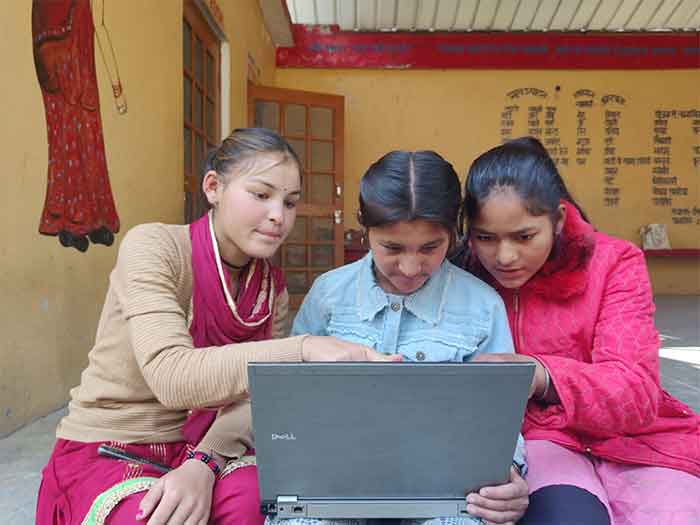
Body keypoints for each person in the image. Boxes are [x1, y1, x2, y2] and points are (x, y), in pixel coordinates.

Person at [36, 128, 396, 525]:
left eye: (290, 202)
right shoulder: (154, 248)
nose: (279, 216)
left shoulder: (270, 286)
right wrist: (305, 349)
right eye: (261, 195)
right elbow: (171, 376)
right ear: (213, 187)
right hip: (118, 444)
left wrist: (203, 463)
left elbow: (255, 397)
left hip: (210, 445)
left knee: (259, 502)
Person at [455, 136, 700, 525]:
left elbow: (635, 393)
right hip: (538, 441)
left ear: (558, 220)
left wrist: (539, 372)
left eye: (524, 236)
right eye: (485, 238)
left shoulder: (613, 262)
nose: (504, 256)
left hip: (640, 439)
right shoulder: (461, 276)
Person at [286, 150, 530, 525]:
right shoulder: (328, 295)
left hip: (448, 491)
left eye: (431, 248)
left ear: (454, 232)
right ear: (364, 228)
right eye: (392, 248)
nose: (411, 267)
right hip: (335, 485)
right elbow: (288, 396)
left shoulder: (482, 307)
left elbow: (500, 417)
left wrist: (507, 475)